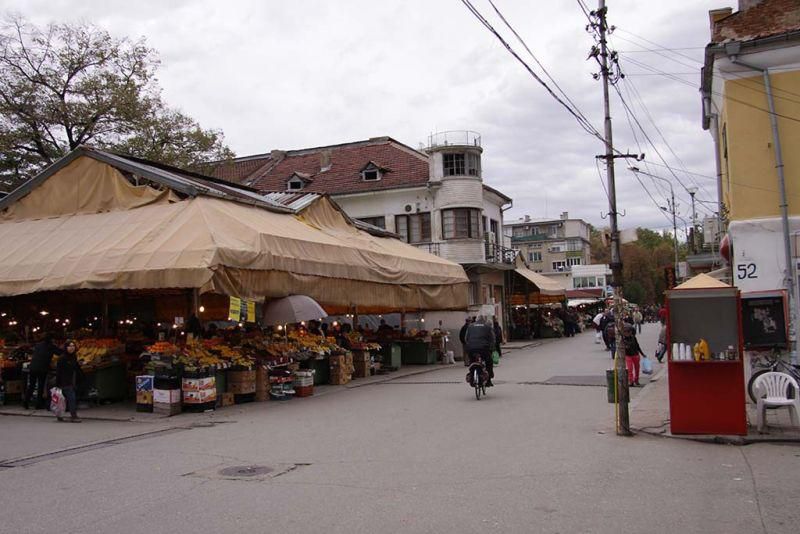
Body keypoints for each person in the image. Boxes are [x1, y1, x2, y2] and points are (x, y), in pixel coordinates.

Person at [23, 333, 63, 410]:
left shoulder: (38, 345)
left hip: (33, 367)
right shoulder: (51, 346)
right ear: (52, 339)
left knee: (31, 385)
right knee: (40, 386)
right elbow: (60, 353)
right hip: (42, 368)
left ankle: (26, 402)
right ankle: (38, 404)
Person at [55, 340, 83, 422]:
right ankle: (73, 416)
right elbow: (58, 371)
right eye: (69, 346)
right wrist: (58, 383)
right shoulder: (62, 358)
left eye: (73, 346)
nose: (71, 348)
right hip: (64, 381)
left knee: (65, 399)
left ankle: (60, 415)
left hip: (72, 380)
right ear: (66, 347)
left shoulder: (74, 357)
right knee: (71, 398)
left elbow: (76, 368)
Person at [464, 316, 495, 386]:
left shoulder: (470, 326)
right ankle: (489, 380)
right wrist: (492, 348)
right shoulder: (487, 326)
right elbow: (492, 339)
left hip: (471, 348)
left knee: (472, 361)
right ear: (484, 320)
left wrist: (469, 345)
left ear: (476, 320)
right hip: (483, 348)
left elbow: (466, 338)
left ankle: (472, 377)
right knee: (488, 361)